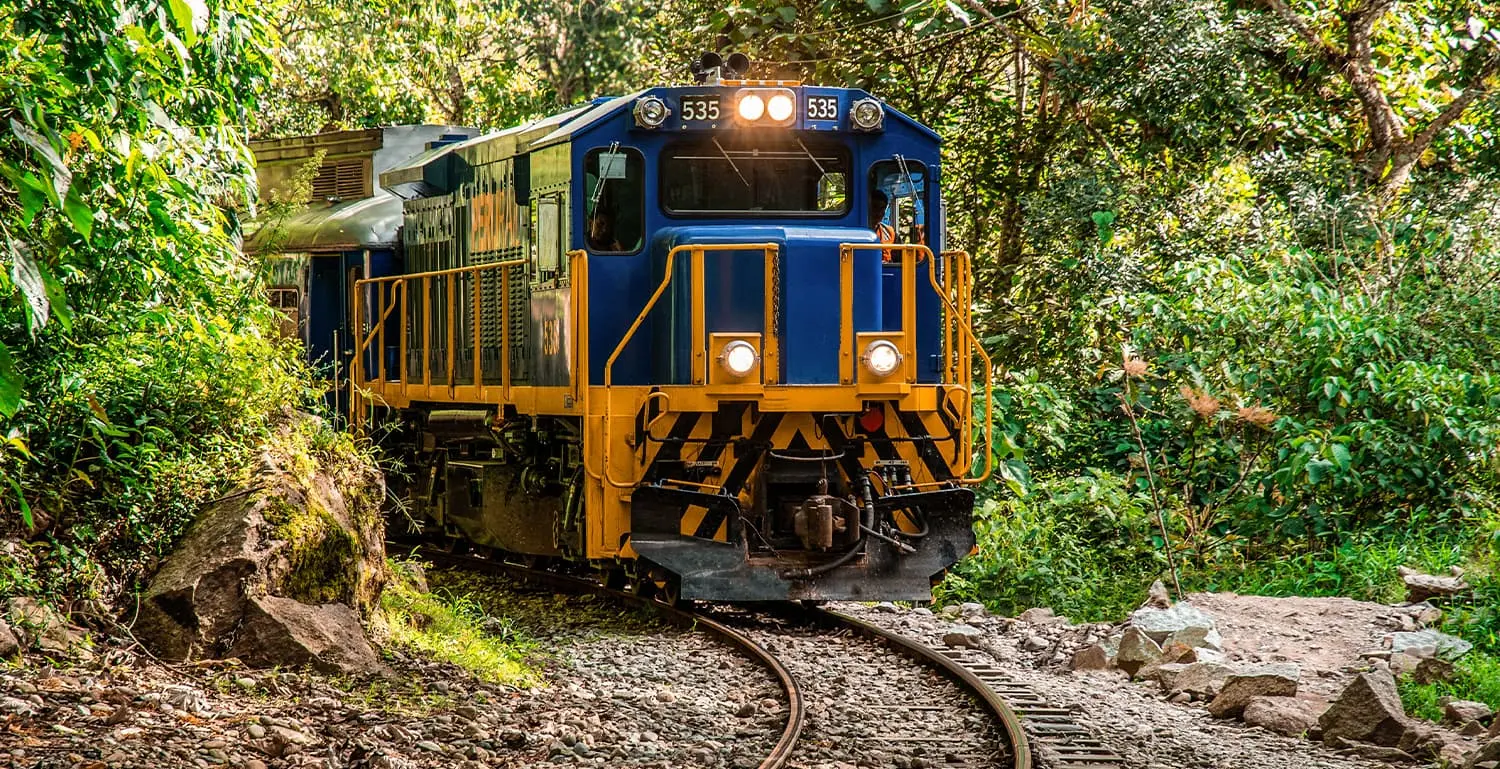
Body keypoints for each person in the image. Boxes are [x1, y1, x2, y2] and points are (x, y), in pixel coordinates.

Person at [870, 189, 896, 262]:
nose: (879, 213)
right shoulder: (857, 232)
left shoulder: (890, 232)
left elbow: (898, 259)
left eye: (882, 208)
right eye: (875, 207)